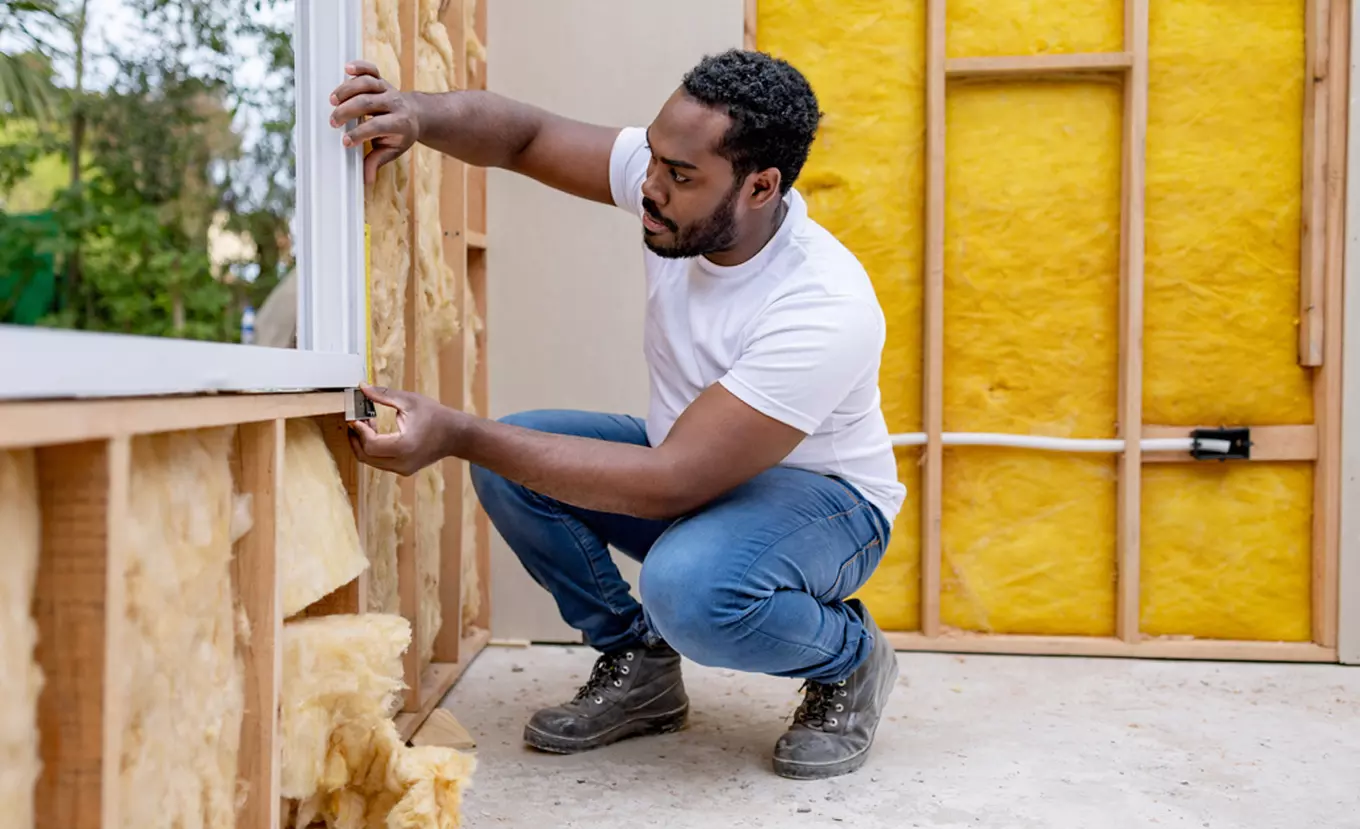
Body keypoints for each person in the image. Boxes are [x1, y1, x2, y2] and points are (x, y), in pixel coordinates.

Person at [330, 48, 907, 781]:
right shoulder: (667, 178)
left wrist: (458, 433)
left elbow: (671, 483)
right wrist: (415, 112)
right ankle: (639, 664)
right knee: (518, 461)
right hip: (697, 468)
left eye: (680, 176)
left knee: (687, 589)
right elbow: (525, 136)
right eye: (655, 161)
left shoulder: (823, 305)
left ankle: (851, 656)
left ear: (761, 186)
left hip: (828, 507)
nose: (651, 187)